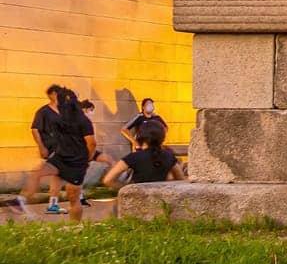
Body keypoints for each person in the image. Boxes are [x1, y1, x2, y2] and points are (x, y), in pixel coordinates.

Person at [14, 88, 95, 221]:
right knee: (37, 172)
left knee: (73, 198)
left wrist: (86, 160)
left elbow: (91, 144)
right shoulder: (61, 117)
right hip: (60, 157)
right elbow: (39, 129)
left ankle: (76, 227)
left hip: (76, 162)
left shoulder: (83, 121)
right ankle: (21, 202)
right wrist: (44, 146)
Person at [103, 120, 186, 195]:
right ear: (162, 138)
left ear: (140, 137)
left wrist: (127, 189)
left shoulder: (133, 157)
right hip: (162, 203)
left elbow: (108, 180)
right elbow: (180, 180)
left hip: (137, 200)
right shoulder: (169, 156)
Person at [23, 85, 63, 213]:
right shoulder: (43, 111)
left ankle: (53, 205)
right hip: (51, 147)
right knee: (40, 173)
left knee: (58, 175)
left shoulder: (63, 111)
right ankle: (22, 200)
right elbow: (35, 129)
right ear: (52, 94)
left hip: (62, 148)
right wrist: (42, 147)